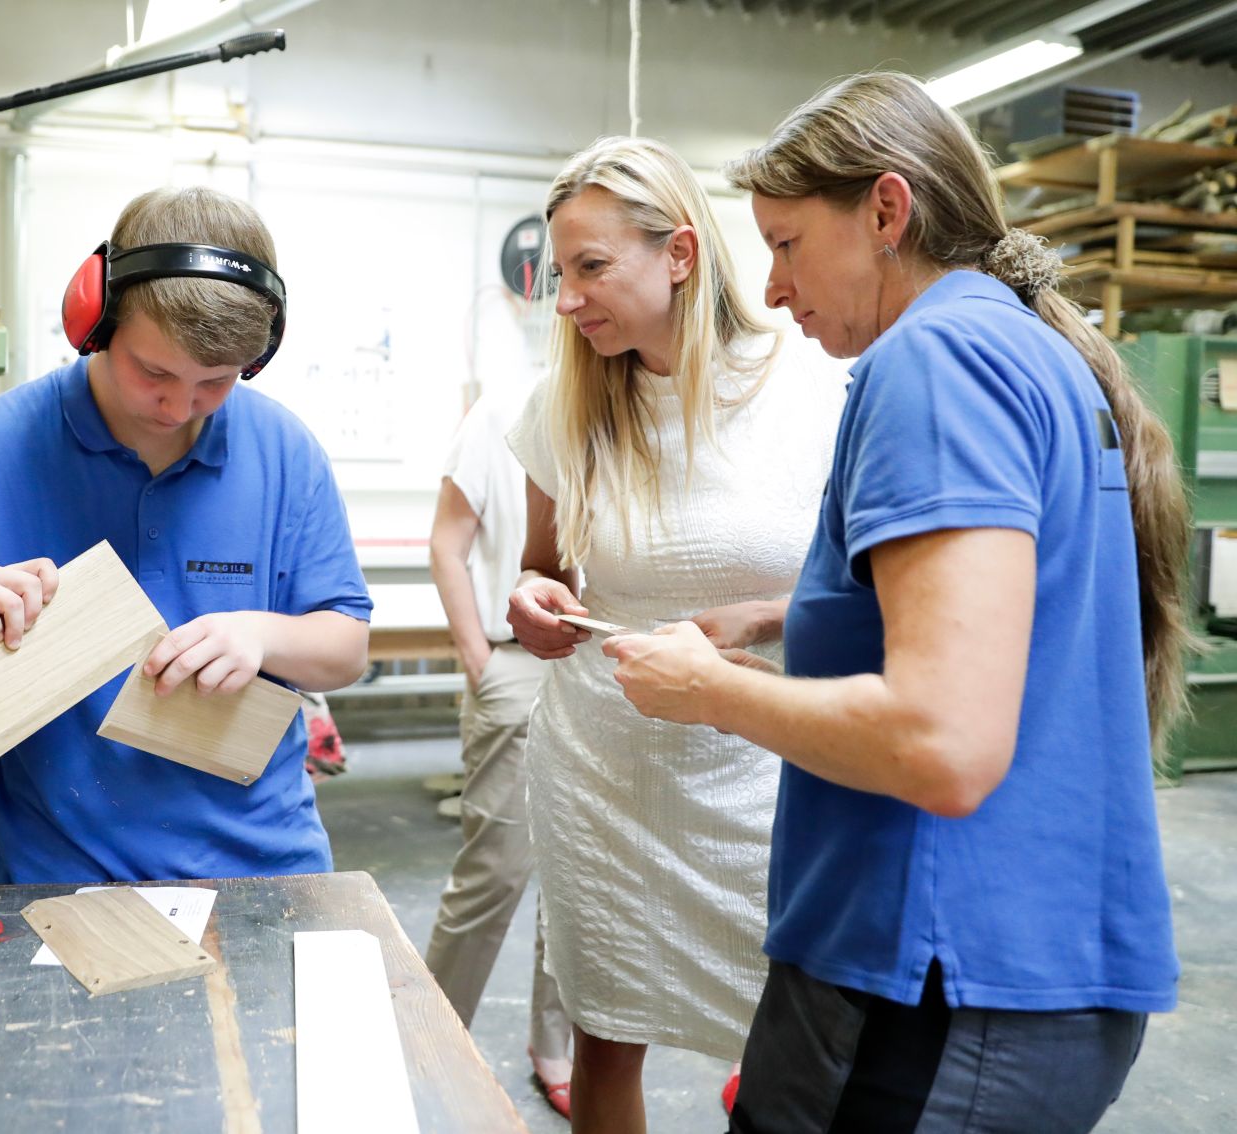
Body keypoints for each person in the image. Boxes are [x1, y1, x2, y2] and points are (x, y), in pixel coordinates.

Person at [604, 72, 1187, 1133]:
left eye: (782, 245)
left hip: (932, 984)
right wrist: (775, 617)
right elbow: (1015, 606)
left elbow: (939, 742)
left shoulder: (932, 361)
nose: (772, 290)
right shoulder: (1018, 345)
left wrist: (708, 692)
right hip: (1028, 969)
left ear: (884, 209)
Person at [0, 186, 373, 885]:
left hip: (265, 873)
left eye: (216, 381)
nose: (179, 407)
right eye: (154, 372)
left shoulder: (285, 453)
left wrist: (262, 635)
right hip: (60, 882)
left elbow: (346, 648)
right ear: (96, 320)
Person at [504, 136, 846, 1134]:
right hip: (604, 771)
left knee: (790, 1044)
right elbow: (543, 568)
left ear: (681, 255)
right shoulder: (561, 404)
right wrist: (533, 602)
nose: (566, 300)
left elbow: (872, 590)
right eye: (559, 274)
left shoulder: (811, 385)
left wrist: (760, 618)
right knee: (606, 1035)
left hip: (763, 773)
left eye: (591, 268)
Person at [423, 386, 574, 1118]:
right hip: (516, 665)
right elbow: (448, 544)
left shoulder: (636, 398)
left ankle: (556, 1049)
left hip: (606, 670)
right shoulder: (504, 411)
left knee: (579, 880)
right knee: (496, 870)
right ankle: (421, 1039)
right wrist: (479, 658)